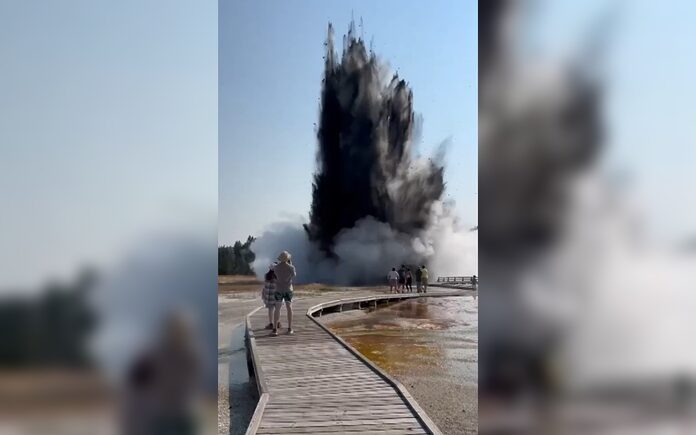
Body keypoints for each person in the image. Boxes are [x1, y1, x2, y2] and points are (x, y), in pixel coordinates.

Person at [272, 251, 296, 336]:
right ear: (288, 258)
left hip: (278, 289)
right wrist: (290, 264)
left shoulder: (276, 267)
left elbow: (274, 274)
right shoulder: (291, 267)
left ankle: (275, 329)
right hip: (288, 289)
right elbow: (294, 275)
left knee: (277, 308)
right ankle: (289, 328)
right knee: (289, 308)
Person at [261, 264, 280, 330]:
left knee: (270, 310)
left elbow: (264, 287)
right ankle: (277, 323)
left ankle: (271, 323)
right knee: (277, 310)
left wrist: (263, 295)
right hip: (276, 296)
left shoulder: (266, 275)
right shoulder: (278, 276)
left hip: (269, 296)